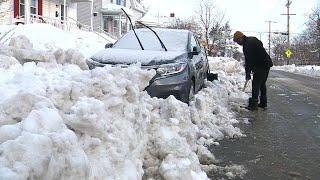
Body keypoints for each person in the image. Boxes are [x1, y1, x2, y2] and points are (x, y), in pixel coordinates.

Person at [233, 31, 273, 110]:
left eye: (237, 41)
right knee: (262, 84)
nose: (237, 43)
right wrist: (248, 71)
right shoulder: (251, 40)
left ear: (241, 38)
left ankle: (253, 105)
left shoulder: (247, 44)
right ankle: (263, 103)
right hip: (266, 64)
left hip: (261, 65)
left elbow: (248, 61)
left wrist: (248, 72)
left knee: (256, 84)